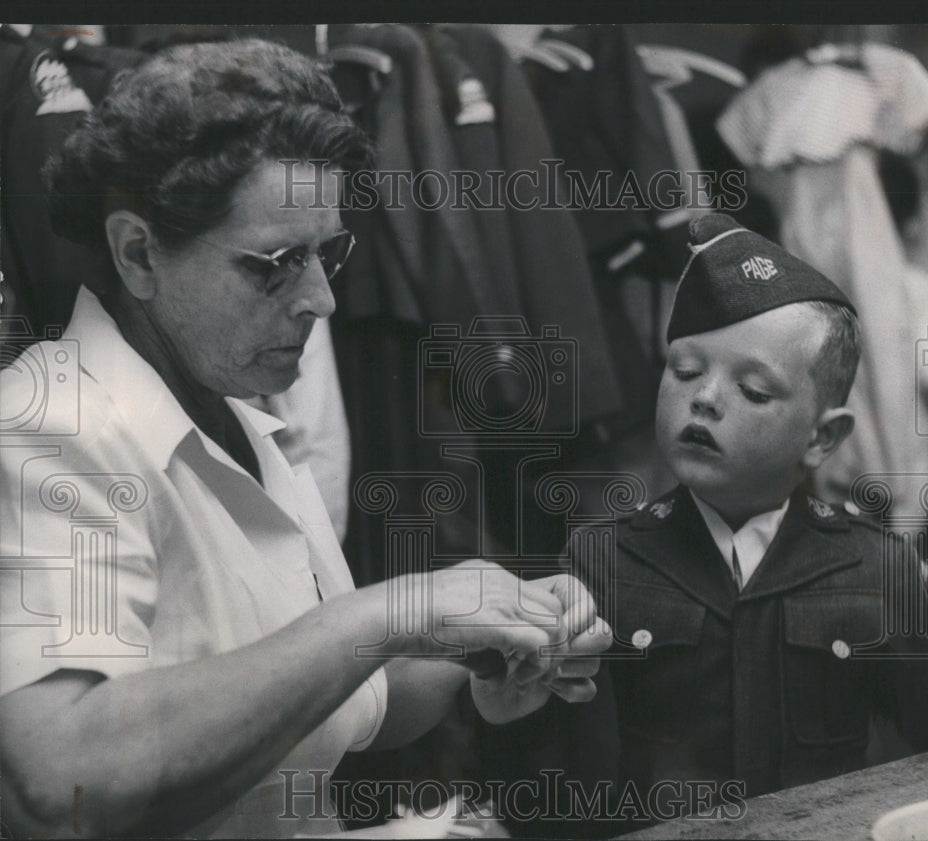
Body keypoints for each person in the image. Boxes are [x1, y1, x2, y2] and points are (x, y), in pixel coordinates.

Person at [0, 39, 610, 839]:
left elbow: (342, 694)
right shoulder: (50, 428)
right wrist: (380, 614)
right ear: (139, 252)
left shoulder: (236, 416)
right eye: (277, 263)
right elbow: (62, 776)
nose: (321, 299)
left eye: (327, 253)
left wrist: (481, 642)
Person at [484, 213, 928, 836]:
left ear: (822, 437)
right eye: (684, 371)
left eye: (753, 391)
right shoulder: (600, 562)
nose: (705, 398)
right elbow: (558, 792)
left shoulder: (881, 571)